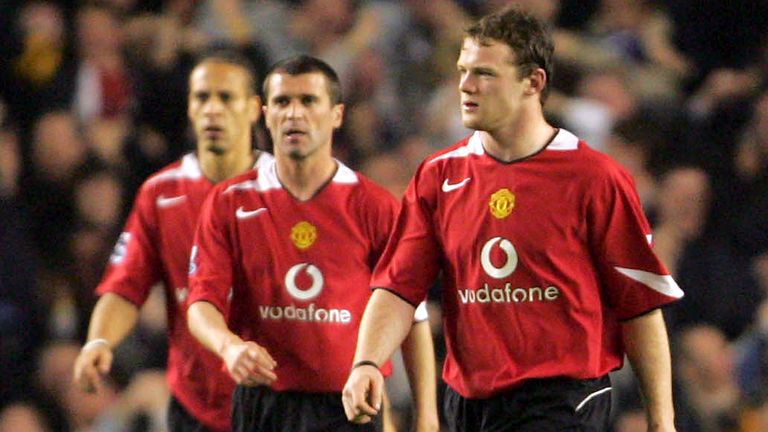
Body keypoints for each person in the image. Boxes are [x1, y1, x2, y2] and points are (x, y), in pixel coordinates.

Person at [342, 7, 683, 432]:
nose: (465, 86)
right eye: (463, 71)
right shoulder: (439, 176)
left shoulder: (594, 178)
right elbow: (396, 288)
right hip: (468, 402)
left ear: (533, 82)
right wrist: (367, 362)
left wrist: (662, 421)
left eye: (484, 73)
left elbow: (640, 306)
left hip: (562, 399)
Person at [186, 55, 438, 432]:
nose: (294, 114)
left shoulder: (375, 207)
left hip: (349, 405)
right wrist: (228, 346)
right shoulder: (229, 203)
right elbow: (200, 303)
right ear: (265, 114)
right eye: (283, 102)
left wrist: (427, 417)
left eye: (308, 101)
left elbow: (411, 316)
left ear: (336, 115)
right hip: (264, 405)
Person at [72, 50, 272, 432]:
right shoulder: (160, 193)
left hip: (276, 403)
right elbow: (124, 286)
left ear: (253, 109)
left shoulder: (287, 192)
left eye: (226, 98)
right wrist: (98, 342)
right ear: (190, 109)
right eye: (202, 98)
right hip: (195, 407)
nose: (212, 109)